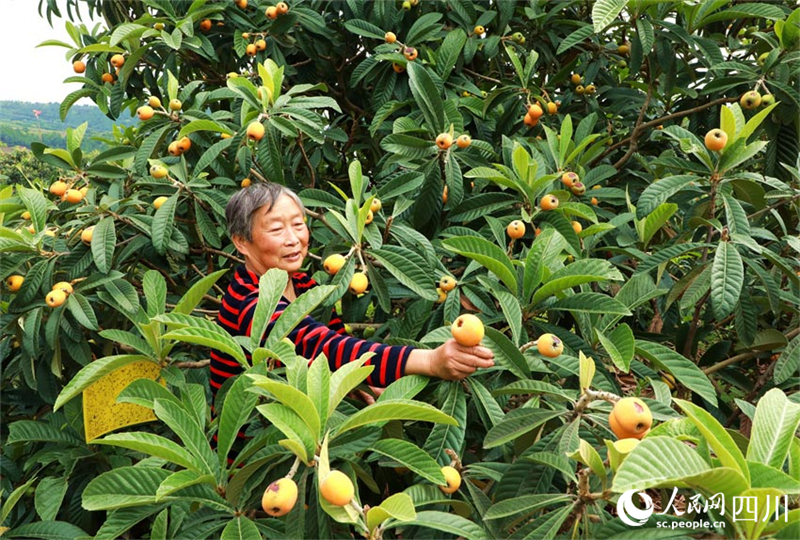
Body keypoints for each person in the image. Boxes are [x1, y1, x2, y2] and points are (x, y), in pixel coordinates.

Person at [209, 183, 494, 444]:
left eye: (298, 224)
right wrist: (430, 361)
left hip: (310, 434)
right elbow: (324, 348)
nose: (293, 238)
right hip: (255, 456)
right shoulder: (248, 301)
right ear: (241, 242)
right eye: (276, 229)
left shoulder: (306, 287)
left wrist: (360, 385)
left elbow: (334, 353)